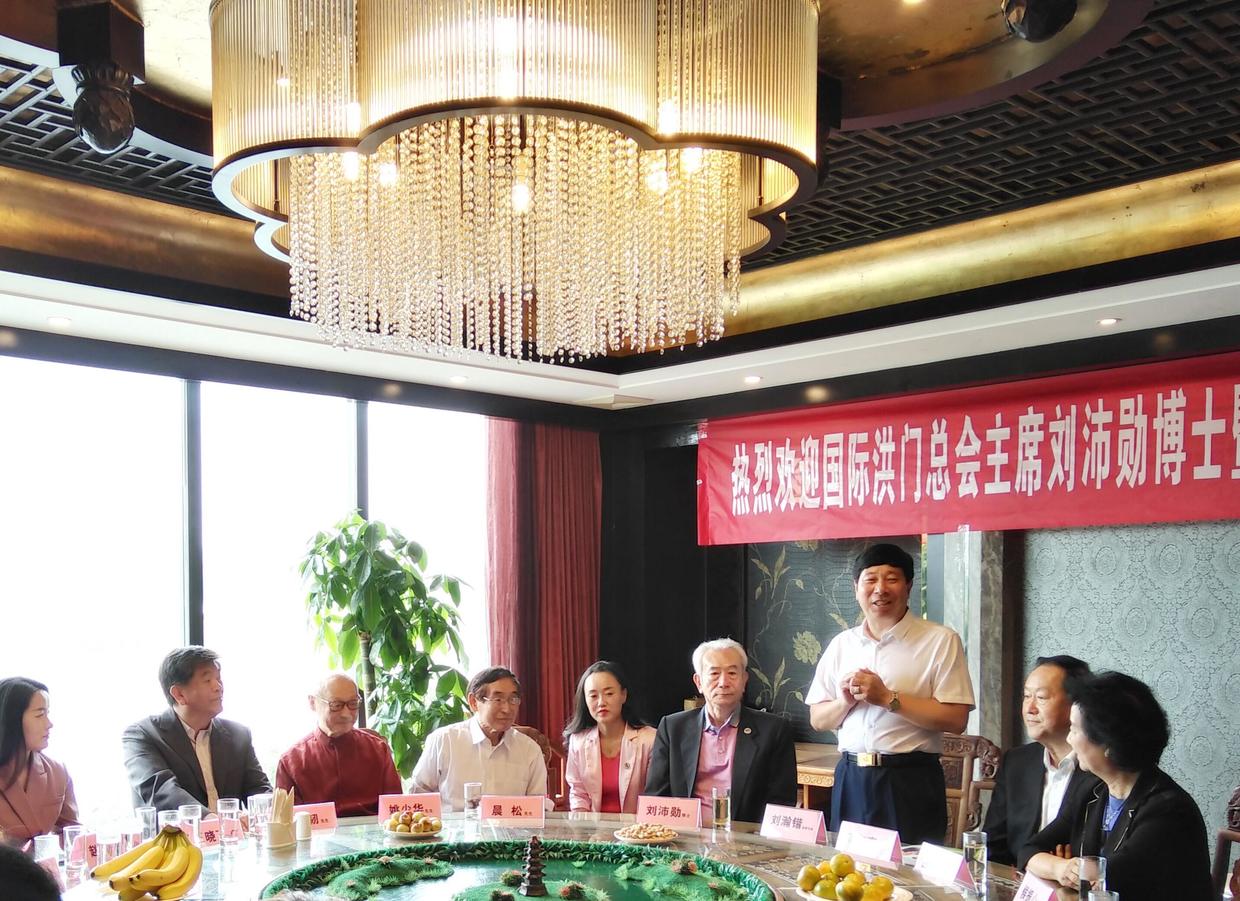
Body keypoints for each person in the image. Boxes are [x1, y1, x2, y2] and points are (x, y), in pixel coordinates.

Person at [806, 543, 975, 845]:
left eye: (892, 579)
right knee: (847, 867)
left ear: (908, 586)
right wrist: (844, 702)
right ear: (856, 588)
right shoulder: (842, 644)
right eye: (870, 579)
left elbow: (956, 718)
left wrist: (887, 698)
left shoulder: (940, 640)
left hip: (909, 779)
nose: (880, 589)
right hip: (852, 777)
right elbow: (818, 719)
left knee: (910, 869)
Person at [1021, 671, 1212, 901]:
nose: (1069, 739)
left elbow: (1107, 879)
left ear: (1109, 743)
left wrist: (1077, 871)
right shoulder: (1092, 791)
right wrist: (1060, 868)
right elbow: (1029, 850)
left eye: (1074, 729)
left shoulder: (1168, 811)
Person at [644, 638, 797, 824]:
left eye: (732, 673)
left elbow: (781, 803)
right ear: (699, 682)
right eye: (714, 673)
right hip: (686, 835)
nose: (723, 682)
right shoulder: (673, 728)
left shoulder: (774, 730)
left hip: (747, 837)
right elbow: (656, 797)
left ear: (744, 680)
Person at [983, 655, 1101, 865]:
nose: (1030, 708)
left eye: (1041, 697)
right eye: (1026, 696)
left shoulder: (1099, 767)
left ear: (1075, 705)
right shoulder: (1017, 762)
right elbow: (992, 845)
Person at [122, 646, 270, 812]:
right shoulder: (143, 735)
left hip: (232, 830)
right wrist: (211, 820)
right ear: (179, 694)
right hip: (180, 830)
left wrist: (273, 811)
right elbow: (162, 791)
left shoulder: (238, 735)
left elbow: (260, 790)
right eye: (207, 680)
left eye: (218, 678)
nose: (218, 687)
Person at [410, 666, 546, 811]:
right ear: (474, 702)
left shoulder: (529, 750)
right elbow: (418, 796)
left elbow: (538, 808)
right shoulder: (444, 741)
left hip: (511, 826)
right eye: (498, 699)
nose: (507, 709)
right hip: (452, 825)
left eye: (513, 699)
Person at [275, 674, 402, 816]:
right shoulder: (292, 762)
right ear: (313, 703)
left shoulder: (378, 750)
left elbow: (396, 811)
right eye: (336, 705)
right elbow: (286, 822)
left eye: (353, 704)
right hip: (317, 830)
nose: (346, 714)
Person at [563, 661, 656, 814]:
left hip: (639, 826)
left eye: (609, 694)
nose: (601, 702)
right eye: (593, 696)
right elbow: (578, 794)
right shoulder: (578, 741)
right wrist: (583, 826)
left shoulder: (650, 739)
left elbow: (654, 796)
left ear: (623, 695)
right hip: (592, 828)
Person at [0, 678, 78, 845]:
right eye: (40, 715)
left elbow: (73, 835)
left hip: (47, 862)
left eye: (48, 713)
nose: (49, 724)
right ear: (11, 720)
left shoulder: (57, 771)